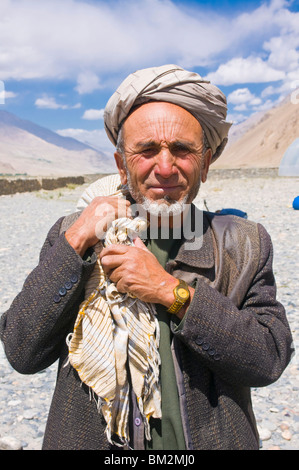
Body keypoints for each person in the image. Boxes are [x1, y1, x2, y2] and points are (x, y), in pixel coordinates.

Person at [0, 65, 294, 451]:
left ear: (205, 163)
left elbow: (268, 359)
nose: (166, 167)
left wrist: (171, 292)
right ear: (122, 164)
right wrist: (76, 239)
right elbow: (22, 350)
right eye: (147, 150)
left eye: (183, 150)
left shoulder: (243, 243)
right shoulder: (73, 234)